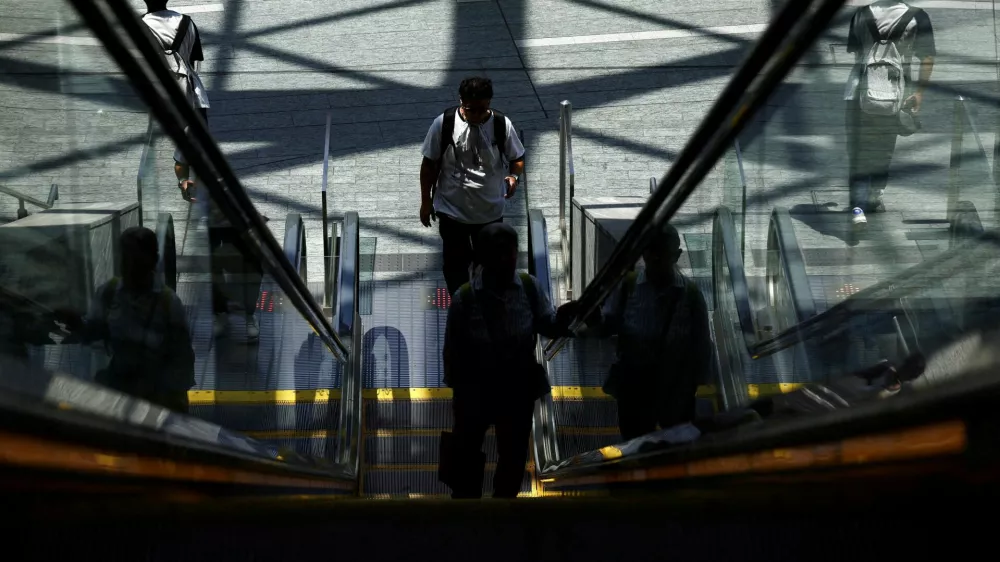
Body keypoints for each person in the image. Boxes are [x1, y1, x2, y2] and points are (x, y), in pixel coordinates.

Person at [144, 0, 261, 341]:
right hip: (192, 93)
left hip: (165, 96)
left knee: (216, 259)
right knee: (241, 261)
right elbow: (194, 61)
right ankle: (246, 318)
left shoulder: (140, 24)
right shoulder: (187, 23)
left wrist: (183, 180)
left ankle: (224, 316)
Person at [441, 223, 574, 499]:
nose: (506, 260)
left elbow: (546, 323)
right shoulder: (464, 298)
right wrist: (460, 398)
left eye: (510, 252)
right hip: (476, 392)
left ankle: (502, 508)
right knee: (467, 453)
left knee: (513, 455)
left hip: (516, 389)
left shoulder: (528, 287)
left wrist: (564, 320)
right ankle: (468, 504)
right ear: (483, 258)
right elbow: (452, 351)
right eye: (498, 253)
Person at [584, 224, 713, 441]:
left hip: (675, 388)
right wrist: (594, 320)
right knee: (637, 443)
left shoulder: (691, 295)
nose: (655, 258)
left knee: (675, 447)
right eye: (650, 251)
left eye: (661, 252)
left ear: (676, 256)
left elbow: (701, 343)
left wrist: (692, 385)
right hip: (636, 387)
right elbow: (607, 326)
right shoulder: (628, 286)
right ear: (643, 253)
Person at [58, 227, 195, 413]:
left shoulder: (168, 304)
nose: (130, 268)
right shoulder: (108, 292)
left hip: (157, 396)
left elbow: (183, 358)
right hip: (120, 391)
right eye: (125, 260)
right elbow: (93, 331)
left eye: (137, 261)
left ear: (152, 261)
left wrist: (172, 402)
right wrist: (78, 325)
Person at [419, 77, 526, 296]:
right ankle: (461, 305)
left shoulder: (500, 124)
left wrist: (514, 176)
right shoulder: (444, 123)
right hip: (452, 212)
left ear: (489, 103)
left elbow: (518, 157)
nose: (477, 115)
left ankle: (485, 307)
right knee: (454, 269)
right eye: (471, 110)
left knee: (490, 267)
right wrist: (426, 202)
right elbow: (428, 165)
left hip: (489, 212)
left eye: (482, 109)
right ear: (461, 102)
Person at [844, 1, 935, 228]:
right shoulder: (917, 17)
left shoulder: (861, 14)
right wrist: (919, 93)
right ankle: (875, 195)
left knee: (858, 149)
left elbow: (857, 52)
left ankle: (857, 208)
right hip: (895, 93)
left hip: (859, 93)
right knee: (884, 148)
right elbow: (927, 57)